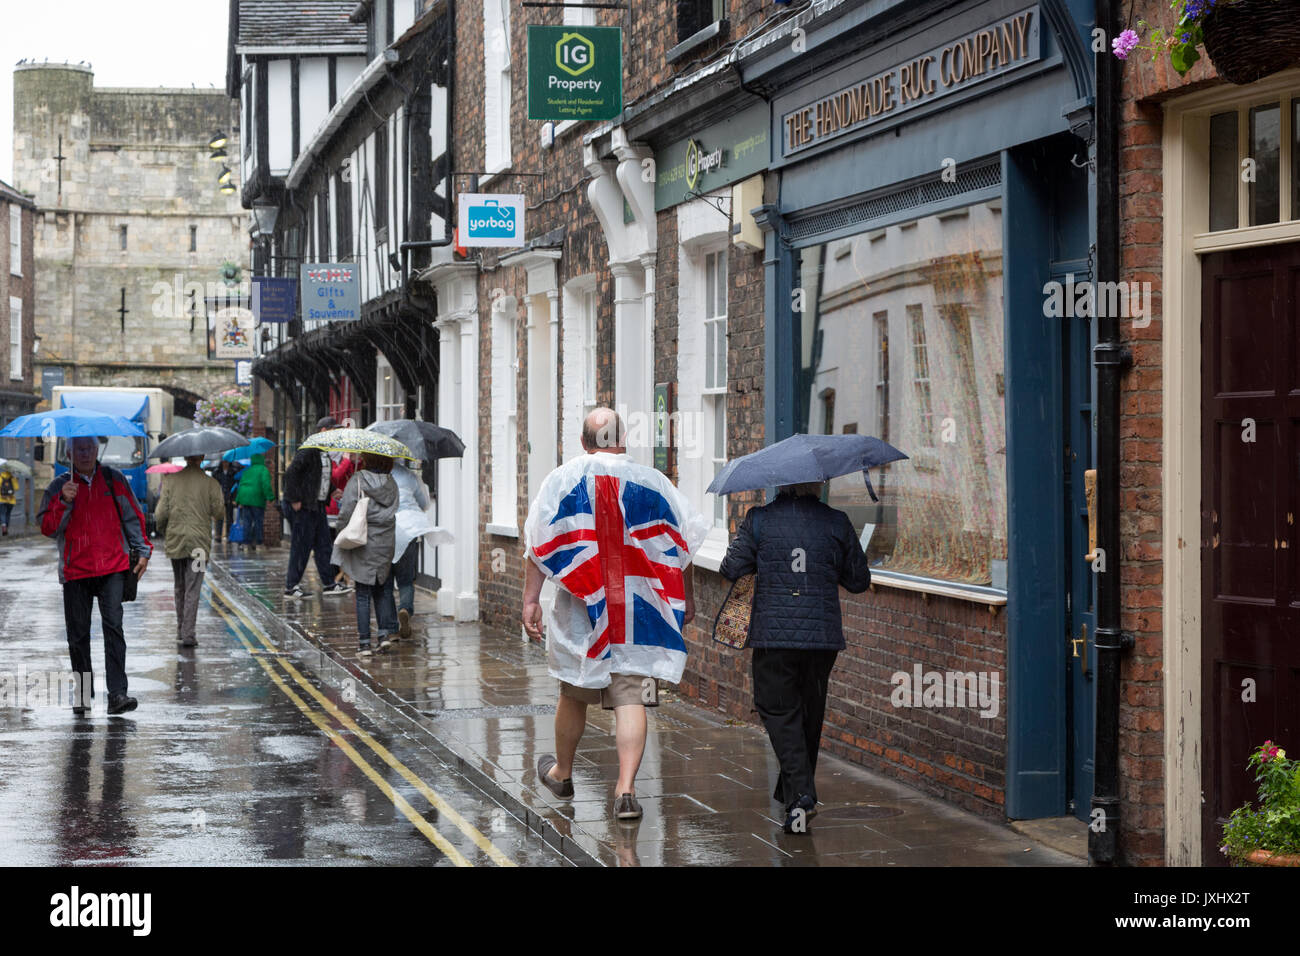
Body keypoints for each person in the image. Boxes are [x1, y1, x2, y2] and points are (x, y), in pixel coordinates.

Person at [523, 408, 708, 821]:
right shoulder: (653, 481)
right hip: (640, 610)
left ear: (585, 442)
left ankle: (563, 772)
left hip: (582, 610)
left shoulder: (563, 478)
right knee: (632, 695)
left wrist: (530, 601)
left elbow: (538, 544)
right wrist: (687, 598)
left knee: (573, 691)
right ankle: (625, 791)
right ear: (623, 439)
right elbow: (683, 545)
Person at [718, 480, 872, 834]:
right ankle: (795, 803)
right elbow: (858, 580)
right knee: (808, 713)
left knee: (777, 708)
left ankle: (801, 796)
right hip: (822, 638)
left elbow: (731, 568)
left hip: (775, 637)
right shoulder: (837, 522)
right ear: (817, 483)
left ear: (781, 484)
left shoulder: (759, 520)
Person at [38, 435, 152, 716]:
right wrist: (64, 501)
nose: (86, 452)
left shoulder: (114, 480)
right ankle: (83, 693)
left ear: (97, 449)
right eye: (79, 448)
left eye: (89, 447)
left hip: (112, 567)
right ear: (69, 452)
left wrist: (143, 550)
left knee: (113, 628)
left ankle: (117, 694)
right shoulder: (58, 486)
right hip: (76, 570)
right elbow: (47, 527)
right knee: (77, 636)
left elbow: (133, 517)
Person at [331, 452, 399, 655]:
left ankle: (364, 643)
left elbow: (346, 513)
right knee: (382, 589)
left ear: (367, 459)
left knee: (362, 593)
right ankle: (384, 635)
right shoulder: (392, 483)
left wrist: (341, 530)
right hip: (385, 543)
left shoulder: (357, 479)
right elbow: (394, 510)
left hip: (364, 541)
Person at [154, 455, 224, 647]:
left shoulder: (171, 481)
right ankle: (188, 633)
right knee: (193, 587)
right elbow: (219, 512)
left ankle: (180, 628)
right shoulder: (211, 483)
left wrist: (163, 529)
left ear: (185, 457)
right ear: (201, 458)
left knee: (180, 586)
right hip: (199, 545)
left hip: (176, 541)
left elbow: (160, 513)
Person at [282, 416, 353, 599]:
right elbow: (291, 473)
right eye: (334, 430)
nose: (337, 435)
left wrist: (332, 490)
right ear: (323, 431)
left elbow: (317, 477)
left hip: (317, 506)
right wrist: (294, 499)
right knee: (301, 547)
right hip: (304, 507)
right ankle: (291, 587)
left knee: (323, 546)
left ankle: (329, 584)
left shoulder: (323, 450)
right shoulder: (309, 449)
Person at [390, 458, 433, 640]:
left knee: (384, 585)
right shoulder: (410, 476)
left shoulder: (376, 476)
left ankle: (389, 626)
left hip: (385, 531)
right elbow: (424, 503)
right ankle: (405, 608)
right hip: (408, 530)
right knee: (406, 580)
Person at [234, 451, 274, 552]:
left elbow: (241, 485)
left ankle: (246, 543)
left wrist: (238, 500)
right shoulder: (263, 470)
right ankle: (258, 543)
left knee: (247, 521)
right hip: (257, 499)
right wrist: (270, 497)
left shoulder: (247, 470)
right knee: (258, 521)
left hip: (245, 499)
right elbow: (266, 484)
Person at [211, 459, 241, 540]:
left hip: (229, 497)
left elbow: (235, 486)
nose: (225, 464)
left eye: (227, 462)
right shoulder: (216, 472)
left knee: (229, 516)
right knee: (219, 516)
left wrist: (234, 497)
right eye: (224, 462)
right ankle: (218, 534)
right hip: (219, 497)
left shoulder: (233, 472)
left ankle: (228, 534)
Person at [0, 465, 16, 535]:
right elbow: (16, 488)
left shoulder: (0, 477)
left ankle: (4, 527)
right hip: (11, 500)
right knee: (8, 514)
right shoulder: (13, 478)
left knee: (2, 514)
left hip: (1, 499)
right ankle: (7, 527)